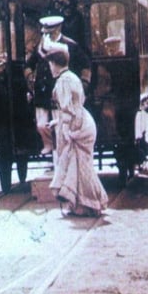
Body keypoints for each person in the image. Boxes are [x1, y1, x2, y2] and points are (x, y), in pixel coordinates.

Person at [44, 42, 108, 217]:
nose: (50, 67)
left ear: (54, 63)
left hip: (77, 126)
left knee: (78, 165)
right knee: (80, 165)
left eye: (50, 63)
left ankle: (89, 204)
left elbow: (68, 109)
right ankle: (84, 204)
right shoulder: (72, 77)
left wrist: (66, 131)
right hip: (84, 121)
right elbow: (76, 105)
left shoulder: (63, 80)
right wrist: (57, 122)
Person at [25, 15, 91, 155]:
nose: (48, 34)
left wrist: (84, 84)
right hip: (42, 92)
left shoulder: (70, 45)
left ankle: (60, 148)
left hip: (62, 90)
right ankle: (48, 143)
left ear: (59, 28)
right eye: (46, 31)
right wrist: (30, 77)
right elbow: (29, 65)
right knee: (41, 125)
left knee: (60, 123)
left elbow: (85, 64)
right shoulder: (40, 46)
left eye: (51, 31)